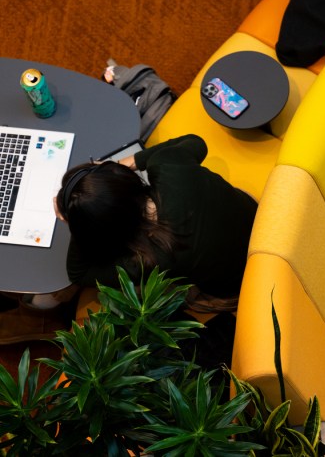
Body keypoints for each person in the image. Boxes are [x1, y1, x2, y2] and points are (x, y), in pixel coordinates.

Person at [0, 134, 257, 344]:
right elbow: (197, 143)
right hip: (256, 218)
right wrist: (124, 165)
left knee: (135, 290)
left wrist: (76, 226)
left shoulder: (147, 260)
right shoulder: (169, 167)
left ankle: (39, 313)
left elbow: (77, 272)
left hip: (234, 284)